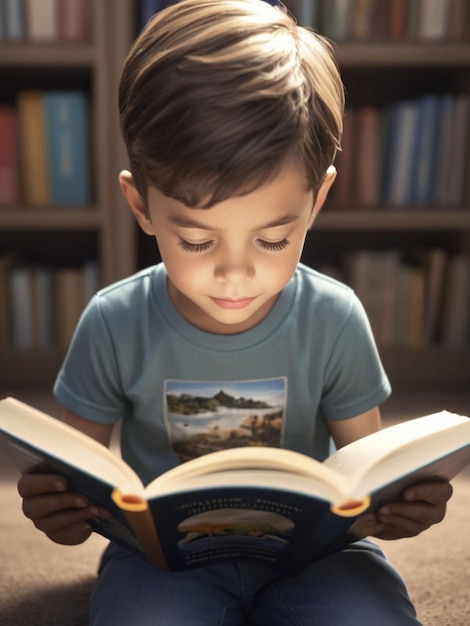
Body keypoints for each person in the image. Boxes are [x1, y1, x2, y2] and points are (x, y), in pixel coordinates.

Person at [18, 1, 452, 624]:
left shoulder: (334, 318)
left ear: (316, 200)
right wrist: (58, 516)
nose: (234, 273)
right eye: (197, 240)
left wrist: (406, 507)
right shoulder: (113, 323)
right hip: (164, 563)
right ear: (140, 203)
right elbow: (77, 489)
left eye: (273, 239)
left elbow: (370, 480)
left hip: (316, 556)